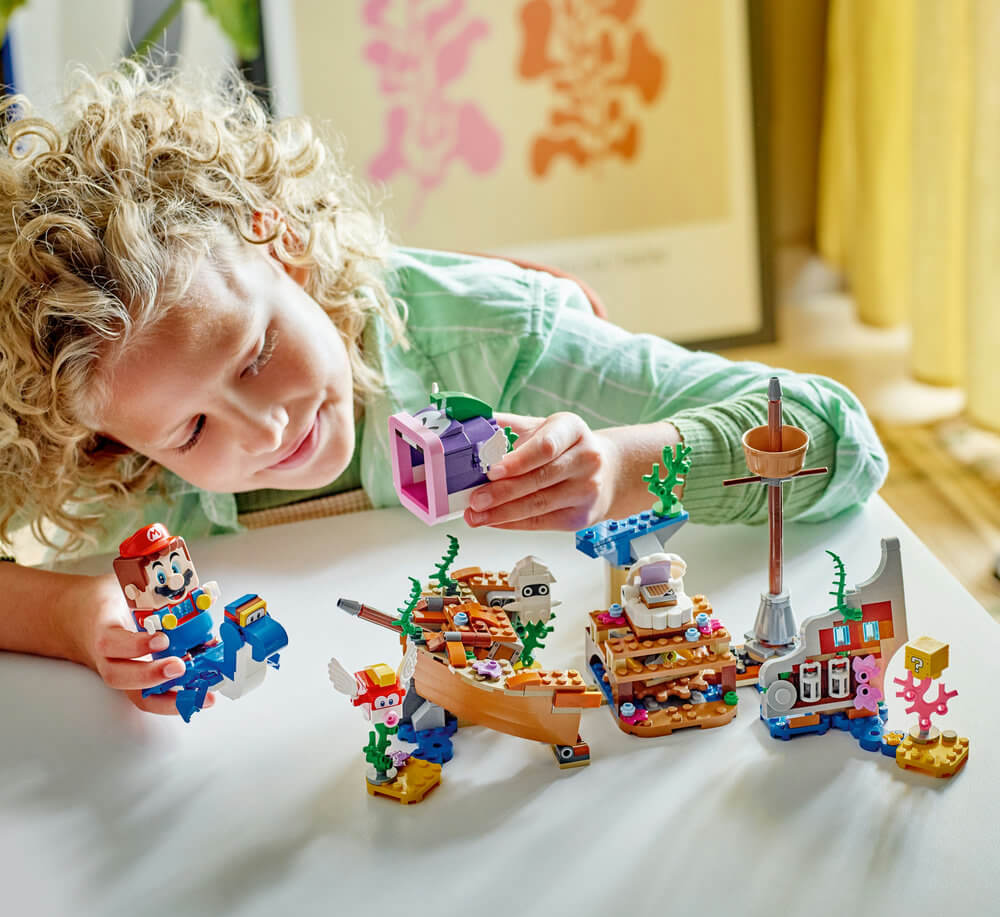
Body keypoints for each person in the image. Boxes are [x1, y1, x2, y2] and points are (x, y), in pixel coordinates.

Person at [0, 63, 888, 717]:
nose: (267, 428)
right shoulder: (96, 435)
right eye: (190, 432)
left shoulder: (498, 339)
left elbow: (839, 439)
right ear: (112, 445)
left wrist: (624, 465)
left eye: (256, 354)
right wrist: (73, 615)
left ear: (284, 247)